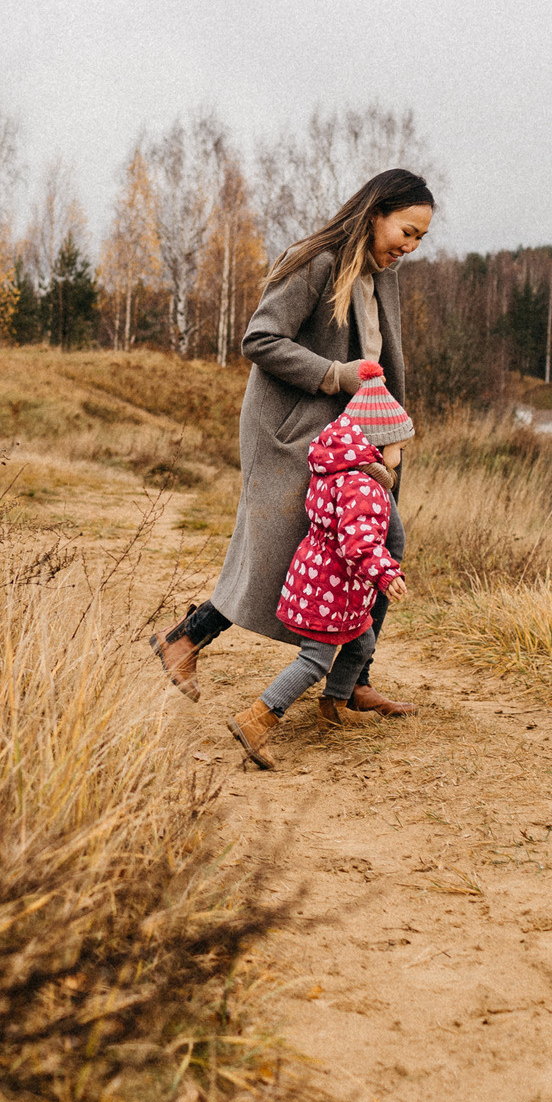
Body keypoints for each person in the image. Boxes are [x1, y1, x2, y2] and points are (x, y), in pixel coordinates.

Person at [147, 167, 433, 714]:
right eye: (407, 231)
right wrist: (334, 375)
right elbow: (260, 338)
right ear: (375, 214)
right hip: (293, 430)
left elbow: (379, 359)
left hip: (359, 434)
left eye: (421, 237)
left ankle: (352, 681)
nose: (411, 246)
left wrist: (389, 423)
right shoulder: (316, 262)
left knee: (377, 541)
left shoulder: (383, 275)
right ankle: (184, 638)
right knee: (282, 549)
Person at [227, 364, 413, 769]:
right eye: (398, 447)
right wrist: (386, 573)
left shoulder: (336, 469)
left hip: (326, 583)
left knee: (361, 641)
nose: (400, 457)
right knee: (314, 660)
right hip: (332, 589)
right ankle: (256, 719)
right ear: (377, 446)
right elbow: (358, 542)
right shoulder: (362, 485)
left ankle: (334, 705)